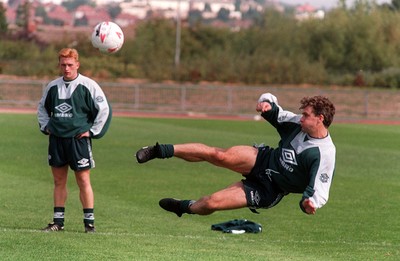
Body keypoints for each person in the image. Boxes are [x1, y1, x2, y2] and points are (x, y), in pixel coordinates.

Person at [135, 93, 336, 217]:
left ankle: (184, 207)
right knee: (219, 155)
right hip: (262, 159)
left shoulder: (324, 154)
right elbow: (272, 105)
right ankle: (159, 150)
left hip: (270, 189)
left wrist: (309, 203)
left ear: (320, 119)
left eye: (306, 115)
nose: (301, 118)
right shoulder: (296, 124)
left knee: (211, 202)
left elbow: (319, 190)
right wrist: (265, 103)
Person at [37, 48, 112, 232]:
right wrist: (45, 126)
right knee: (58, 181)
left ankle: (89, 223)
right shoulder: (53, 86)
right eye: (63, 65)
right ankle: (58, 222)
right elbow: (42, 108)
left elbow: (104, 110)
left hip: (78, 140)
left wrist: (93, 131)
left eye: (70, 65)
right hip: (57, 140)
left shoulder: (88, 85)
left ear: (77, 64)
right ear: (59, 65)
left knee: (83, 180)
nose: (66, 68)